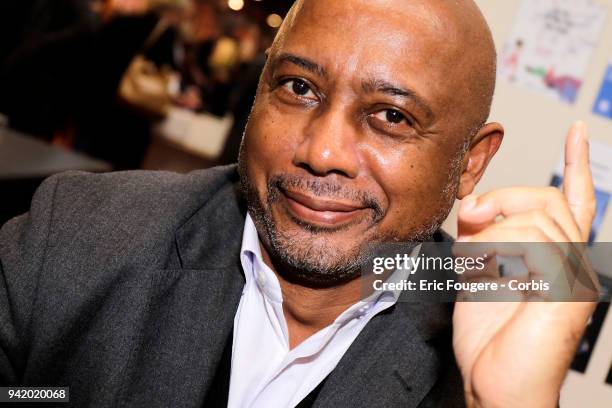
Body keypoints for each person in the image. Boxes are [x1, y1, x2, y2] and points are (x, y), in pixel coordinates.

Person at [0, 0, 598, 407]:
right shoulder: (79, 228)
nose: (323, 150)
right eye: (299, 88)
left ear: (471, 162)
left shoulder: (485, 294)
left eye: (391, 116)